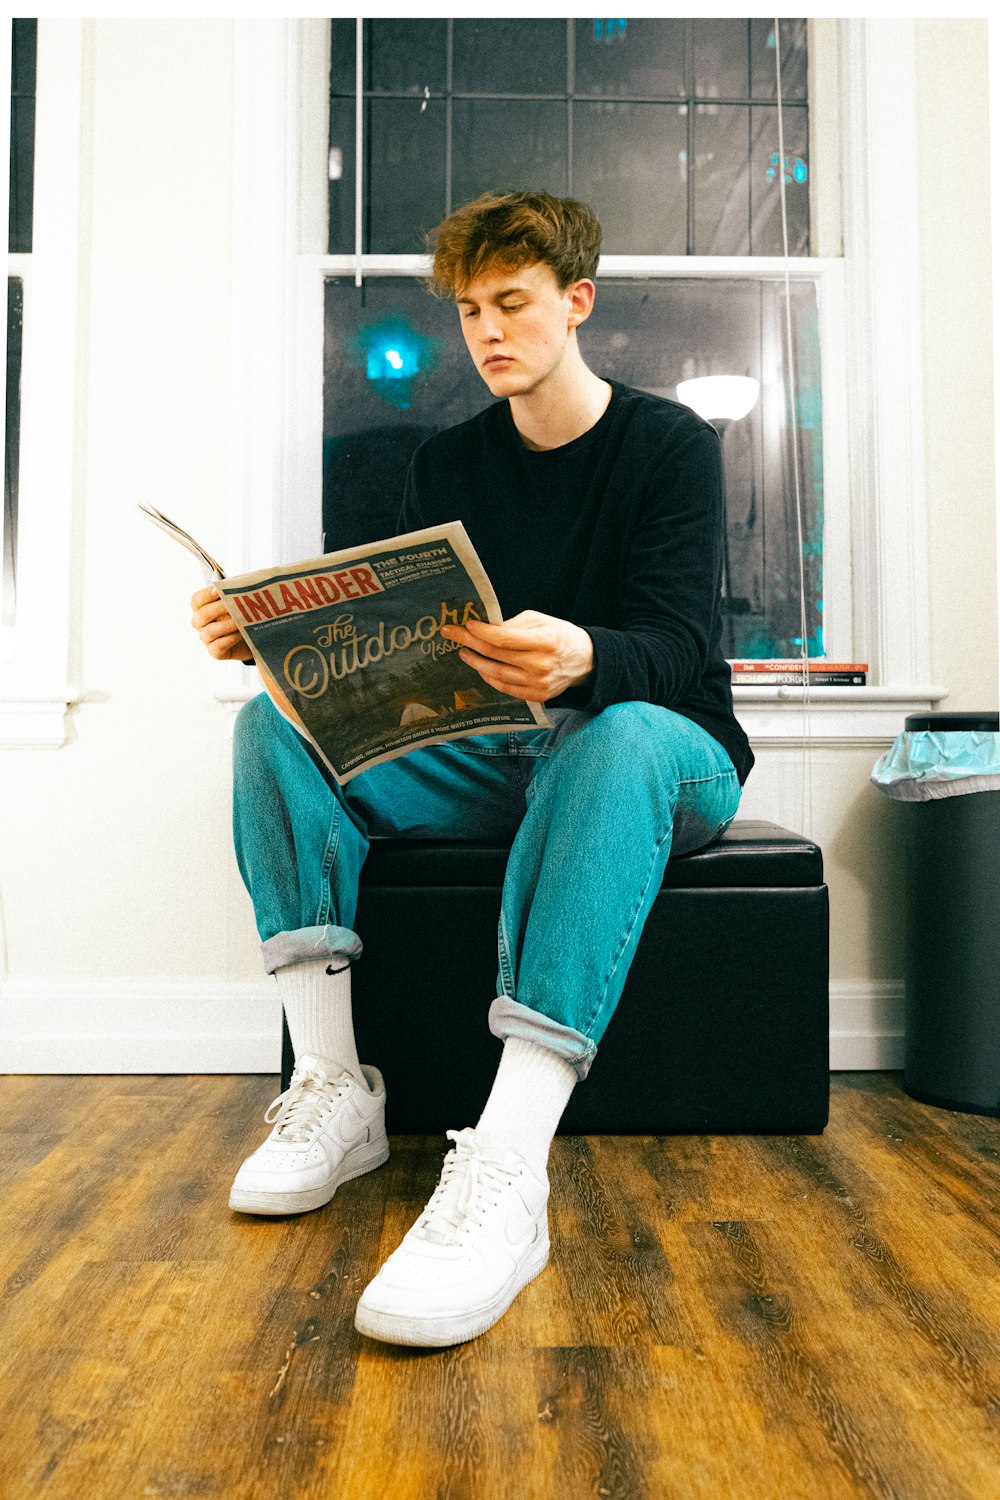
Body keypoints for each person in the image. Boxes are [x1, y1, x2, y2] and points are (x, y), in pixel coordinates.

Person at [190, 191, 754, 1349]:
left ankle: (504, 1163)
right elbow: (415, 661)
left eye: (511, 303)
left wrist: (585, 653)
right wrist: (282, 645)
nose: (487, 330)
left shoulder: (667, 445)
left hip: (663, 750)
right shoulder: (449, 462)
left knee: (616, 732)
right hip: (496, 749)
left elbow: (682, 646)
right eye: (468, 311)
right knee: (271, 725)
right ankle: (336, 1090)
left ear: (575, 302)